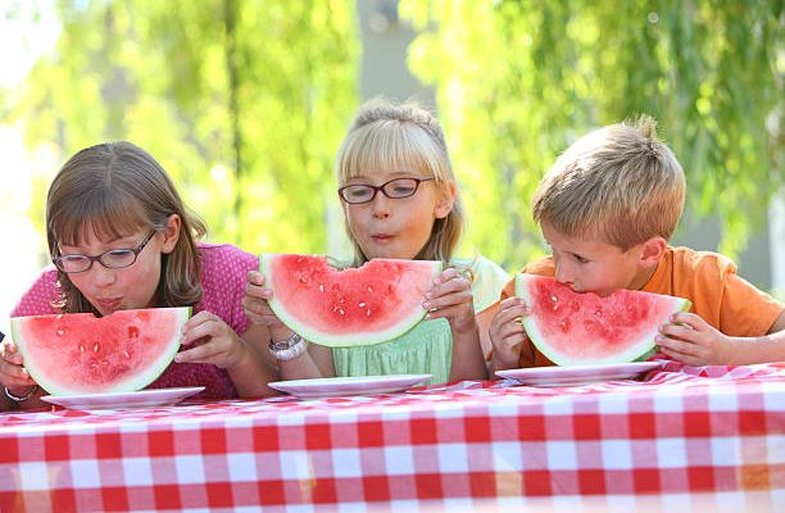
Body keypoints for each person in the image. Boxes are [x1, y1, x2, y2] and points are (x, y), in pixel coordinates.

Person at [243, 100, 509, 384]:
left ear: (444, 199)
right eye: (359, 192)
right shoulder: (325, 292)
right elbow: (319, 403)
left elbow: (477, 402)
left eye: (402, 188)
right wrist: (283, 328)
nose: (379, 207)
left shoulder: (484, 286)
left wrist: (464, 328)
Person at [490, 116, 785, 371]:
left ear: (649, 252)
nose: (561, 274)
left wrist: (729, 351)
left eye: (580, 258)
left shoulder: (704, 281)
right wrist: (504, 360)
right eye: (553, 250)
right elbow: (491, 385)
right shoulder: (529, 290)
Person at [0, 141, 277, 410]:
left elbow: (279, 401)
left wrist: (238, 356)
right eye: (75, 257)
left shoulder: (228, 277)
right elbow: (32, 418)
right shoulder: (46, 300)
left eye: (119, 254)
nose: (101, 280)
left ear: (168, 234)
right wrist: (17, 385)